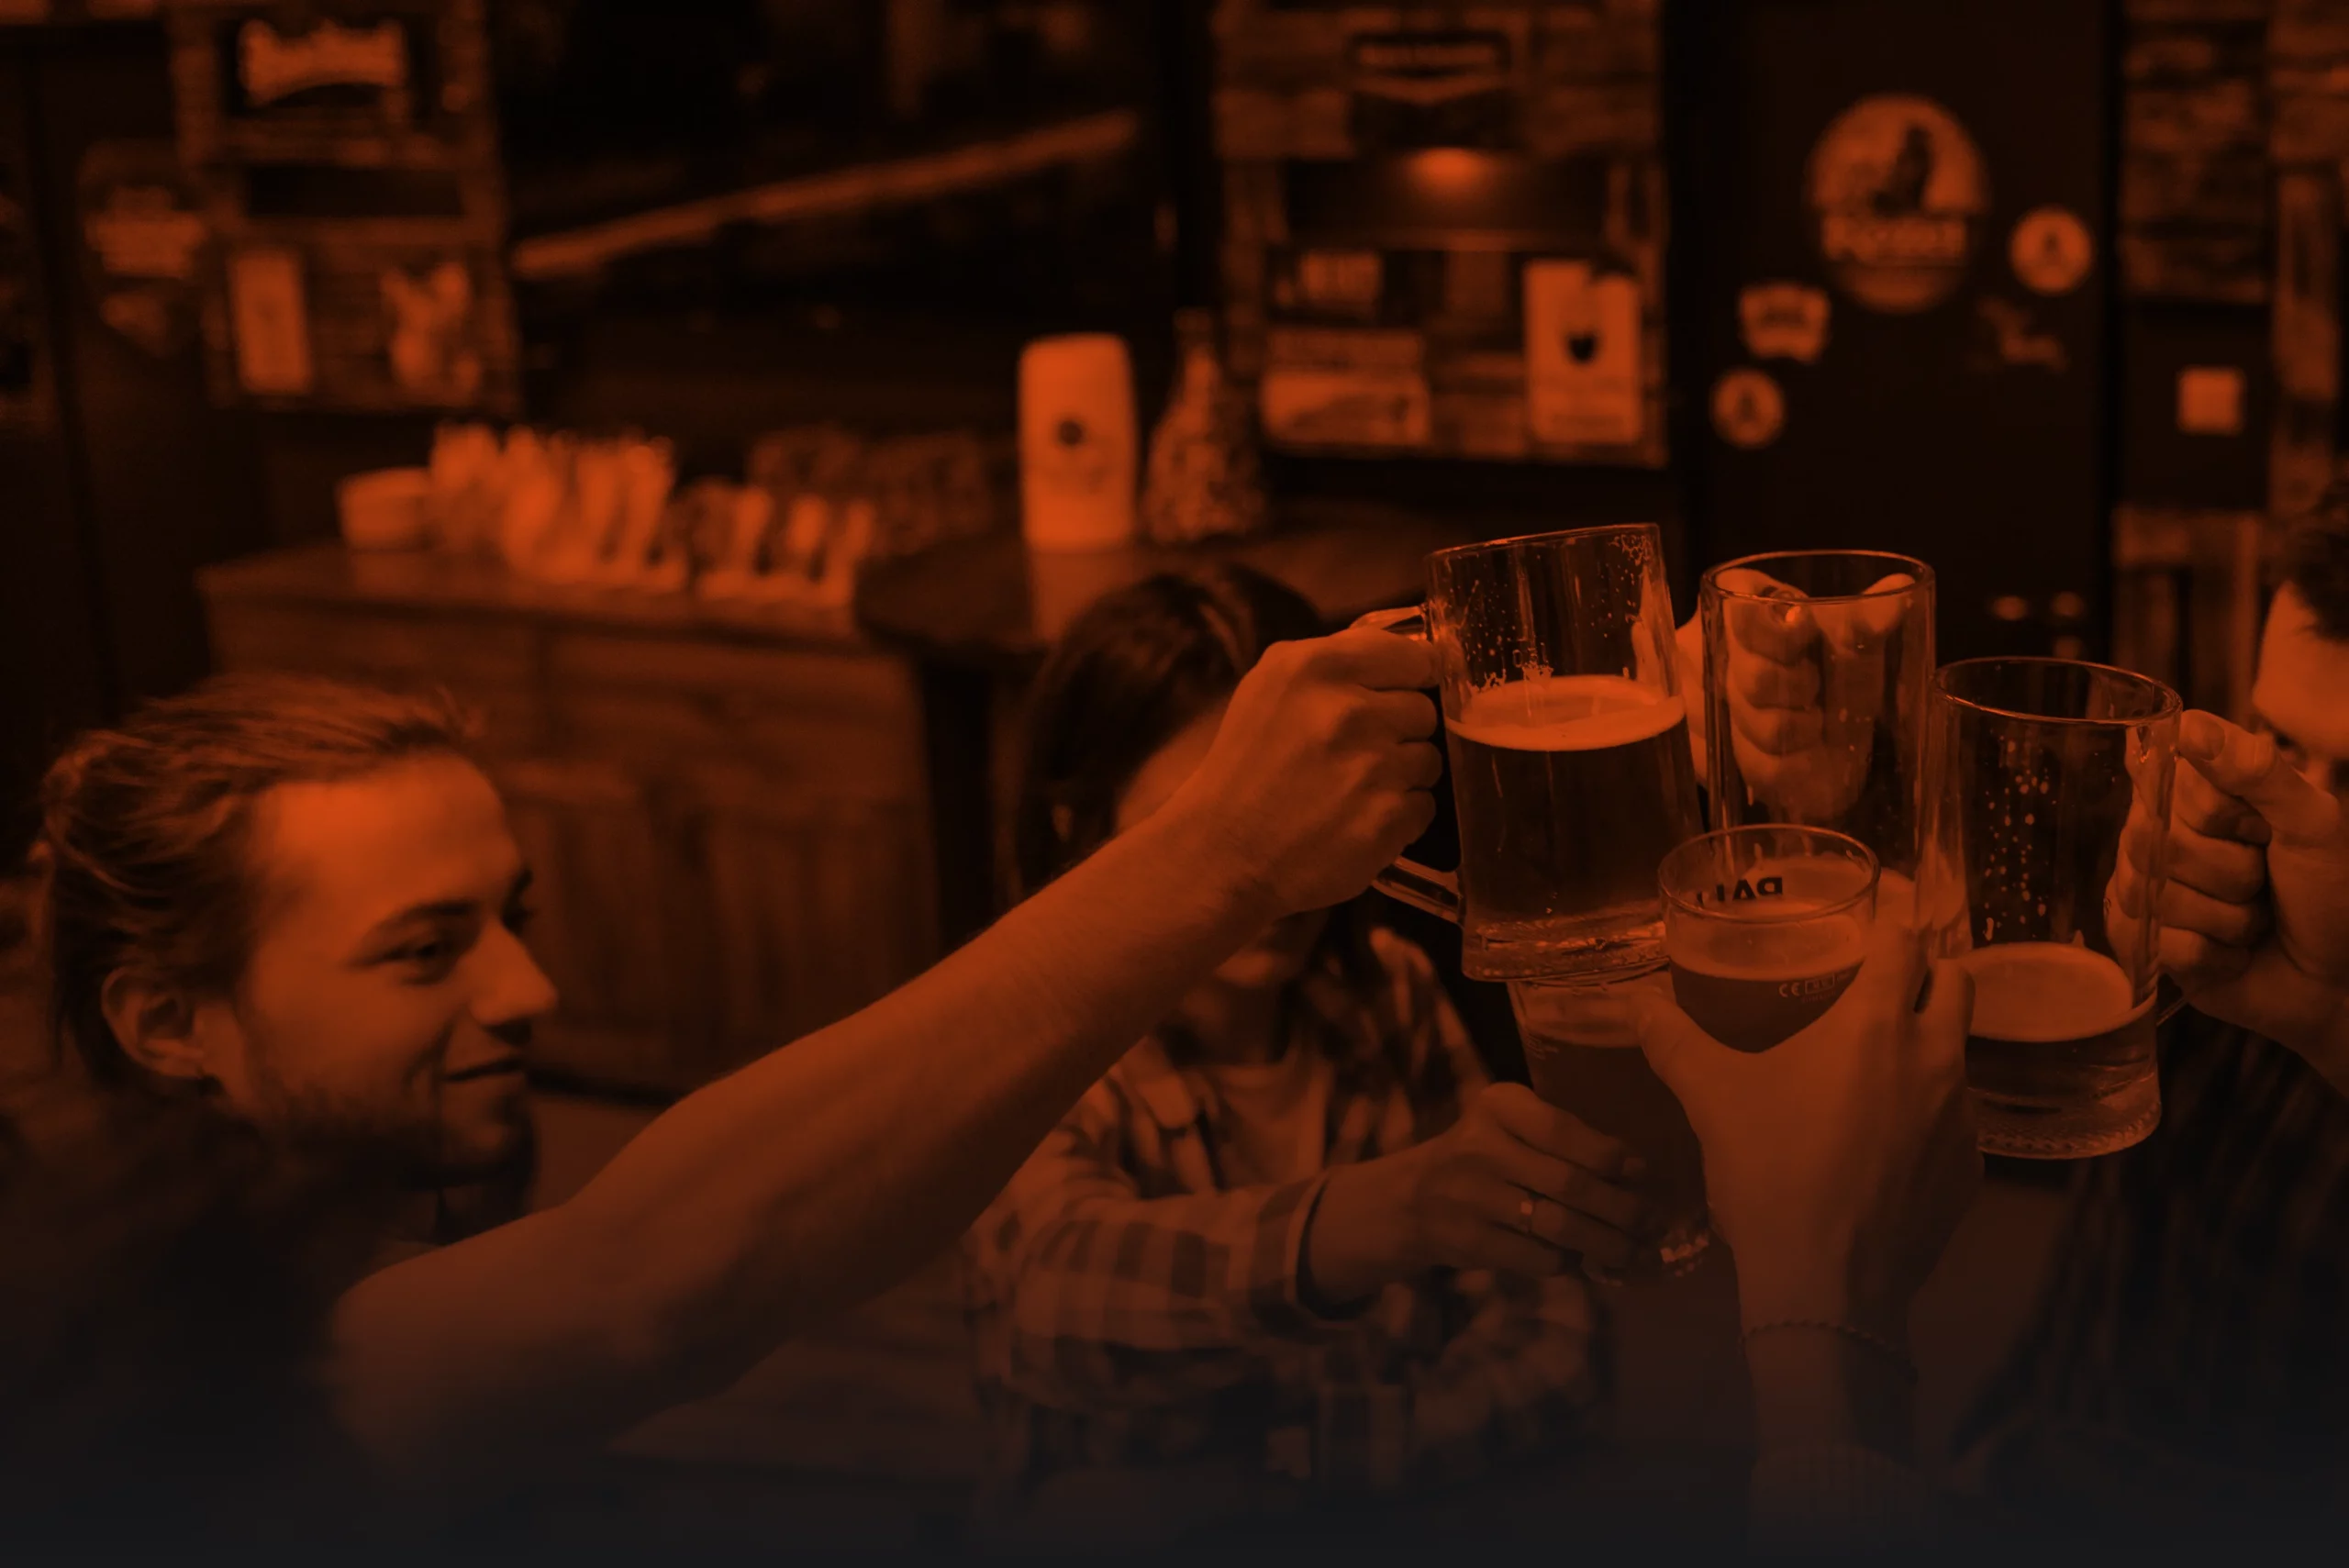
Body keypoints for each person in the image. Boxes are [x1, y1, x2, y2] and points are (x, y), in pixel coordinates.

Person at [9, 627, 1442, 1543]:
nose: (527, 990)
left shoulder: (311, 1261)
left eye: (513, 919)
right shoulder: (150, 1362)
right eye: (424, 950)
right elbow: (664, 1279)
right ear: (167, 1024)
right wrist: (1220, 851)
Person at [963, 570, 1640, 1545]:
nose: (1273, 866)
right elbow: (1054, 1307)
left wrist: (1285, 1470)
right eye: (1209, 827)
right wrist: (1402, 1210)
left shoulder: (1385, 993)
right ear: (1079, 829)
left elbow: (1558, 1346)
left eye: (1297, 812)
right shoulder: (1044, 1039)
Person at [1957, 505, 2349, 1540]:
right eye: (2281, 747)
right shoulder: (2233, 902)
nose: (2299, 818)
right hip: (2029, 1465)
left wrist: (2333, 1018)